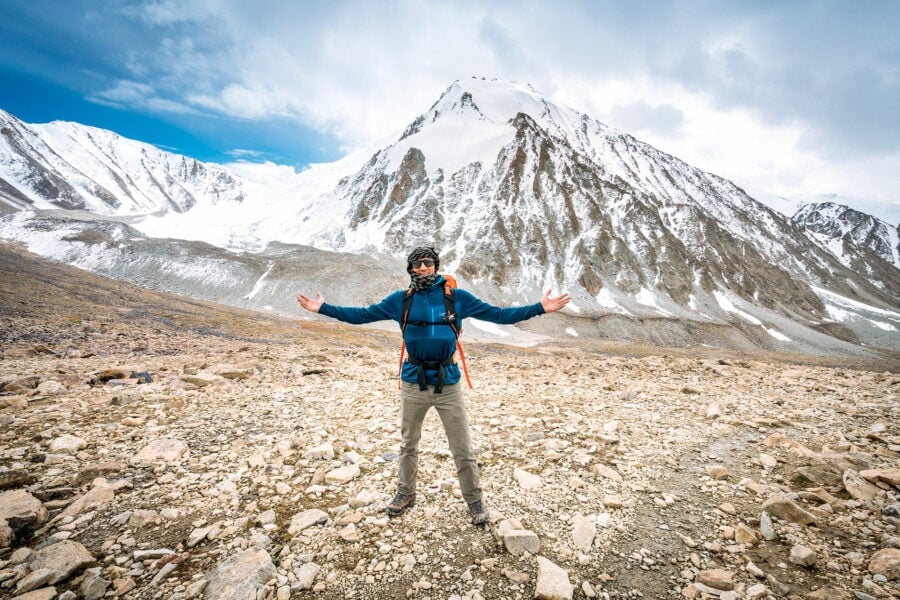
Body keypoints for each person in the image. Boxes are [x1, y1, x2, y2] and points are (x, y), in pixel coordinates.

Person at [296, 246, 570, 525]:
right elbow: (362, 315)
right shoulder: (400, 300)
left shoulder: (456, 298)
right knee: (408, 444)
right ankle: (405, 494)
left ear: (436, 265)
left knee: (462, 447)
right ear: (411, 269)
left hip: (448, 383)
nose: (423, 267)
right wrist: (323, 309)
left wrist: (540, 308)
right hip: (413, 382)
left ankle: (474, 501)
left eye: (428, 262)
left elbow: (499, 315)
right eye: (417, 264)